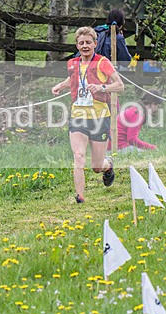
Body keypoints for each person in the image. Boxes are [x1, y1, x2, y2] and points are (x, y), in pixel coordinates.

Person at [52, 27, 124, 203]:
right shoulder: (73, 63)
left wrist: (102, 87)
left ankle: (108, 166)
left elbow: (120, 85)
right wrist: (61, 85)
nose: (85, 46)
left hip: (99, 117)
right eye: (81, 43)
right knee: (78, 156)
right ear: (77, 45)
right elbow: (73, 79)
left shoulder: (102, 62)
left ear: (95, 44)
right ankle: (80, 197)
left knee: (96, 166)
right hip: (78, 116)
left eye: (88, 42)